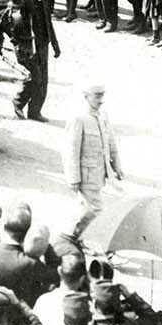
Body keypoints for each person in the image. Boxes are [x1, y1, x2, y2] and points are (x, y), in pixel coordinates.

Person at [61, 83, 121, 221]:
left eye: (103, 95)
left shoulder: (102, 115)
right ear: (86, 96)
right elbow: (71, 150)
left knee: (87, 211)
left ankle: (74, 238)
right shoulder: (78, 118)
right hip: (85, 176)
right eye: (97, 96)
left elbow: (111, 142)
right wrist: (73, 178)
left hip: (98, 175)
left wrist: (116, 166)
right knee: (96, 210)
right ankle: (71, 237)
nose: (101, 100)